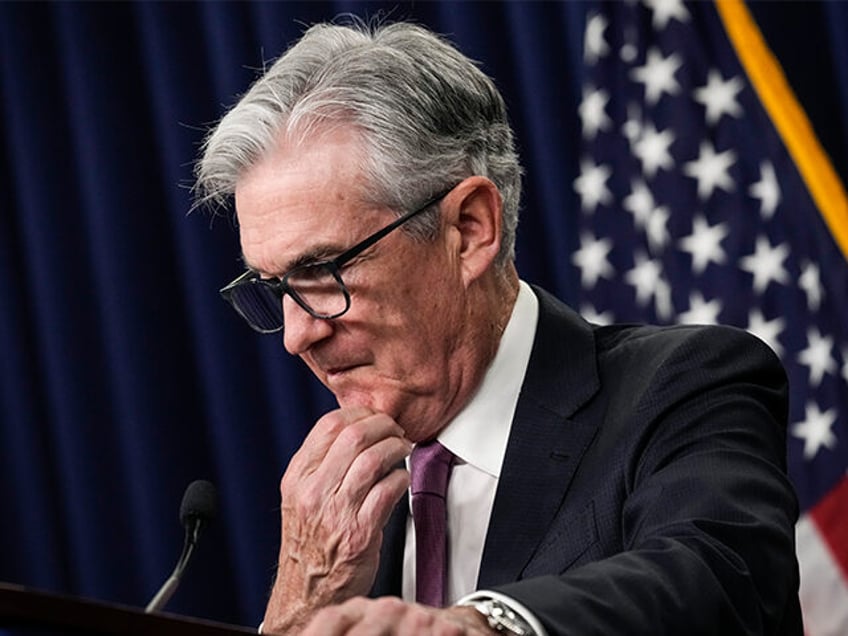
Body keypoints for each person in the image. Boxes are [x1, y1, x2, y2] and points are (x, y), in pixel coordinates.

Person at [194, 18, 802, 636]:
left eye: (322, 271)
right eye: (276, 289)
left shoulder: (685, 386)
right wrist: (302, 601)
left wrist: (484, 628)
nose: (297, 336)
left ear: (469, 229)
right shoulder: (339, 511)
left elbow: (724, 579)